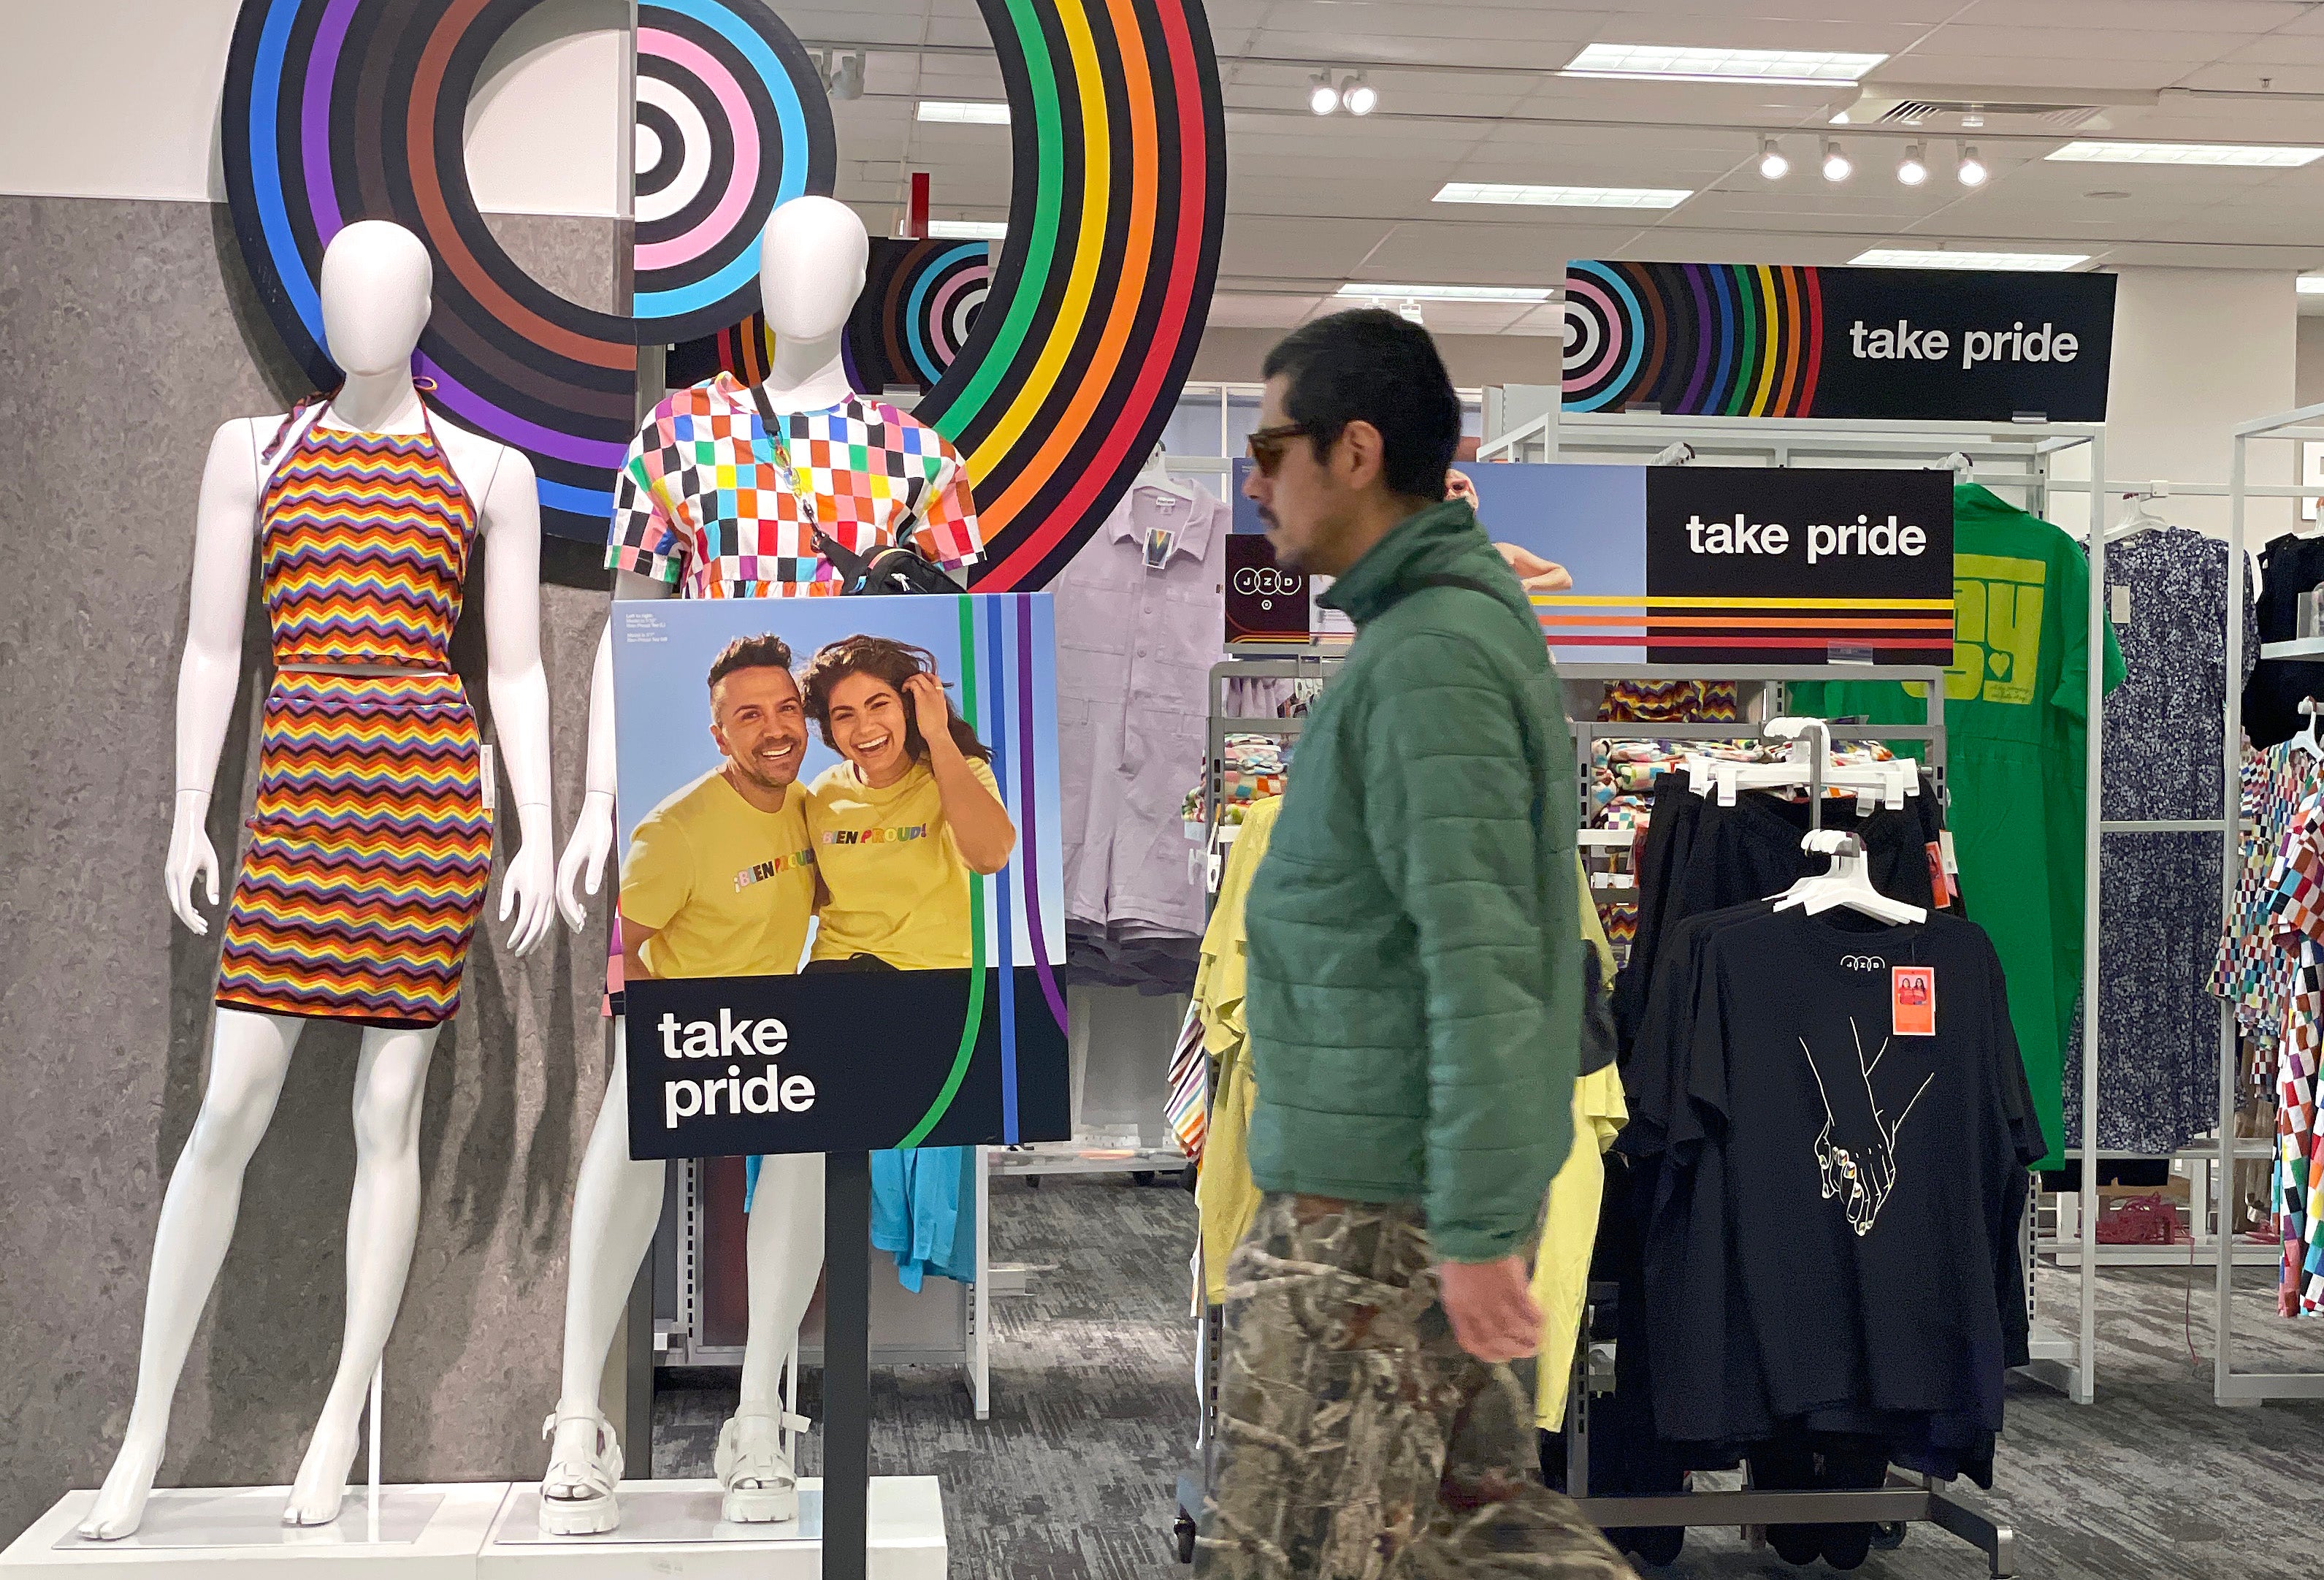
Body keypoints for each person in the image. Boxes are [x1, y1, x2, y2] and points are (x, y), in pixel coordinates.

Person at [1199, 309, 1630, 1578]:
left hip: (1374, 1233)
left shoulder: (1432, 655)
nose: (1253, 476)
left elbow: (1487, 953)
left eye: (1270, 445)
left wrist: (1483, 1226)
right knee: (1468, 1537)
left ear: (1354, 451)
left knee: (1334, 1547)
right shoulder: (1423, 633)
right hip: (1379, 1208)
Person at [798, 634, 1016, 972]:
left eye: (878, 704)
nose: (865, 727)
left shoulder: (959, 772)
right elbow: (811, 893)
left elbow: (988, 858)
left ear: (907, 709)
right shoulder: (822, 792)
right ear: (831, 730)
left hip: (935, 976)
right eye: (845, 715)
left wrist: (938, 735)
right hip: (837, 970)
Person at [616, 633, 819, 987]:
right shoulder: (672, 833)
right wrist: (676, 1028)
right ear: (720, 738)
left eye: (787, 708)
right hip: (706, 1035)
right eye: (750, 716)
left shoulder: (802, 803)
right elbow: (614, 954)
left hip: (777, 1029)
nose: (776, 730)